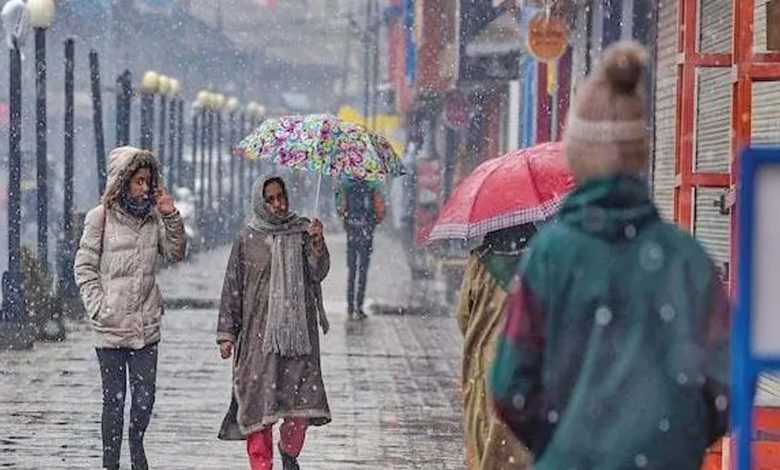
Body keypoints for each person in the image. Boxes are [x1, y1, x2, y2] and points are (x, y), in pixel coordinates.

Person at [489, 41, 730, 469]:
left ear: (576, 155)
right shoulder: (686, 259)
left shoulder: (549, 256)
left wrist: (561, 443)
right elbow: (726, 381)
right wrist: (676, 439)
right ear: (640, 154)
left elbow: (510, 386)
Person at [74, 146, 187, 470]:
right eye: (138, 181)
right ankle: (111, 462)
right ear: (123, 182)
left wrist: (170, 214)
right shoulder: (101, 217)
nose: (144, 188)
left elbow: (176, 253)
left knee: (144, 399)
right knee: (114, 401)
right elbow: (84, 267)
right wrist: (99, 307)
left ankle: (136, 444)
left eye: (148, 182)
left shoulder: (153, 217)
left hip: (145, 325)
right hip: (110, 326)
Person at [217, 176, 331, 470]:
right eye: (271, 199)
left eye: (281, 196)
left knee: (301, 406)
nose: (278, 203)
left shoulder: (302, 230)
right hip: (258, 341)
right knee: (259, 408)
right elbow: (234, 286)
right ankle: (262, 465)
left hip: (298, 340)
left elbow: (318, 272)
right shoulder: (247, 238)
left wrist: (317, 244)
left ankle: (288, 450)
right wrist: (227, 334)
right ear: (260, 201)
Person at [457, 225, 536, 470]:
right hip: (525, 368)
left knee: (484, 441)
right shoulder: (539, 262)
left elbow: (463, 317)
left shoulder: (479, 262)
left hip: (484, 368)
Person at [336, 179, 385, 320]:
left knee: (352, 269)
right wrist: (372, 222)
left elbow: (341, 209)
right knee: (363, 270)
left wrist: (348, 218)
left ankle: (351, 305)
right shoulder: (373, 186)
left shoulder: (346, 185)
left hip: (352, 232)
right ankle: (359, 306)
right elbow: (380, 211)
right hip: (366, 232)